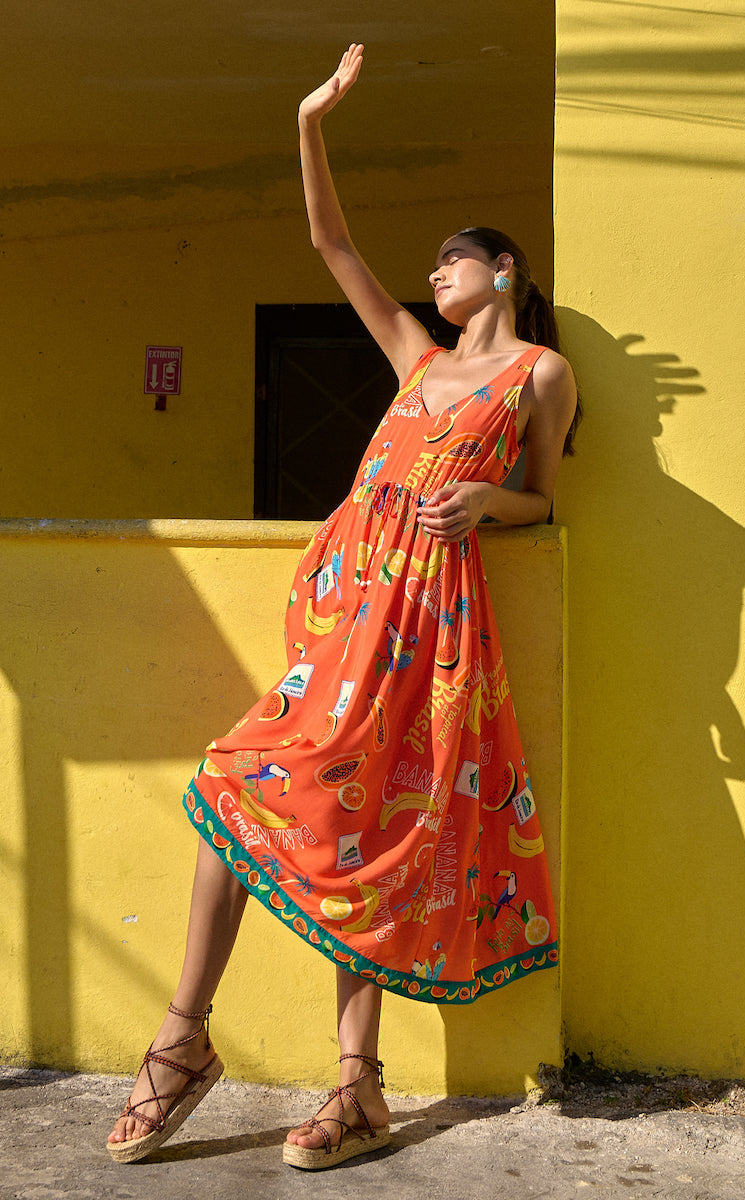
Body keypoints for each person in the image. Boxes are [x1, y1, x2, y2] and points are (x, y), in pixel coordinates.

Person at [106, 43, 579, 1171]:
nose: (437, 273)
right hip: (348, 616)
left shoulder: (536, 377)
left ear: (502, 270)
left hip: (434, 625)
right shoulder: (415, 362)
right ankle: (185, 1036)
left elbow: (545, 506)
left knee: (363, 834)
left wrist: (487, 499)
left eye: (455, 261)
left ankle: (355, 1085)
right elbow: (330, 243)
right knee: (235, 781)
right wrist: (310, 117)